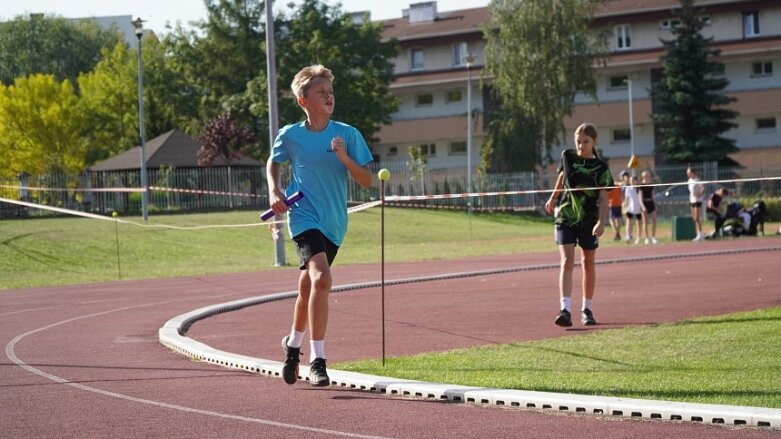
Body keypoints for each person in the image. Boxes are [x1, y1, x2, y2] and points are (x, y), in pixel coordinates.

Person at [266, 65, 373, 386]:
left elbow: (367, 181)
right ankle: (319, 360)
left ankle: (291, 347)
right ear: (303, 101)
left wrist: (344, 157)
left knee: (308, 287)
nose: (328, 97)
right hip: (303, 216)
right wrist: (274, 189)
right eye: (320, 92)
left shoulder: (348, 134)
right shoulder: (290, 135)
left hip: (334, 222)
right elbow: (273, 161)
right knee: (322, 279)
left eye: (330, 92)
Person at [544, 123, 613, 327]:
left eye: (586, 142)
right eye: (578, 142)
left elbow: (604, 197)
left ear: (594, 142)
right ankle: (565, 310)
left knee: (588, 263)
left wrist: (601, 221)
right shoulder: (568, 157)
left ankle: (587, 309)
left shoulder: (601, 167)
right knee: (567, 261)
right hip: (566, 217)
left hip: (589, 220)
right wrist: (553, 198)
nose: (581, 146)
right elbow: (561, 176)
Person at [621, 172, 643, 244]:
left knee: (638, 223)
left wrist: (642, 207)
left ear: (636, 181)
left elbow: (640, 199)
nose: (632, 182)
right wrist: (625, 206)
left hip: (638, 209)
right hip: (630, 208)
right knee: (629, 222)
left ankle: (638, 237)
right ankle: (628, 235)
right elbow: (626, 199)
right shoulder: (628, 189)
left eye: (633, 180)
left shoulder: (639, 189)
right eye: (630, 181)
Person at [638, 170, 658, 244]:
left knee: (654, 221)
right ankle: (647, 238)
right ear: (643, 176)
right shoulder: (641, 185)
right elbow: (640, 197)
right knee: (645, 222)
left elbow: (653, 196)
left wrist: (655, 205)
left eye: (648, 175)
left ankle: (653, 237)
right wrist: (643, 206)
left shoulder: (651, 185)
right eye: (645, 175)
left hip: (651, 203)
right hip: (644, 203)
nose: (647, 177)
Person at [687, 167, 706, 241]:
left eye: (689, 173)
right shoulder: (689, 180)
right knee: (694, 218)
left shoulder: (697, 180)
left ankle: (701, 234)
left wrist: (700, 194)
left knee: (697, 218)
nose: (688, 174)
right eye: (687, 173)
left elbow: (703, 188)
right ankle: (698, 233)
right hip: (692, 200)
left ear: (693, 173)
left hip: (697, 201)